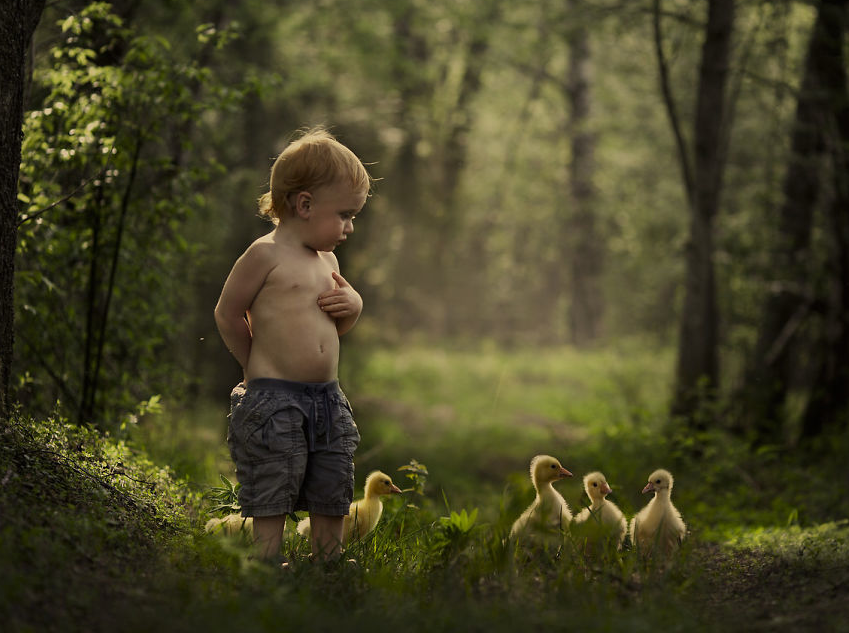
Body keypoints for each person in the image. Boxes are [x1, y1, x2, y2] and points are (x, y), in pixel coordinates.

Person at [214, 127, 372, 563]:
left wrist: (353, 306)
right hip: (273, 399)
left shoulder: (329, 261)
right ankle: (268, 560)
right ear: (304, 205)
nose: (350, 227)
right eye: (344, 214)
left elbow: (330, 330)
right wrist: (253, 365)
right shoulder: (264, 255)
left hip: (327, 397)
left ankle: (328, 560)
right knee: (274, 475)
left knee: (332, 473)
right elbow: (227, 313)